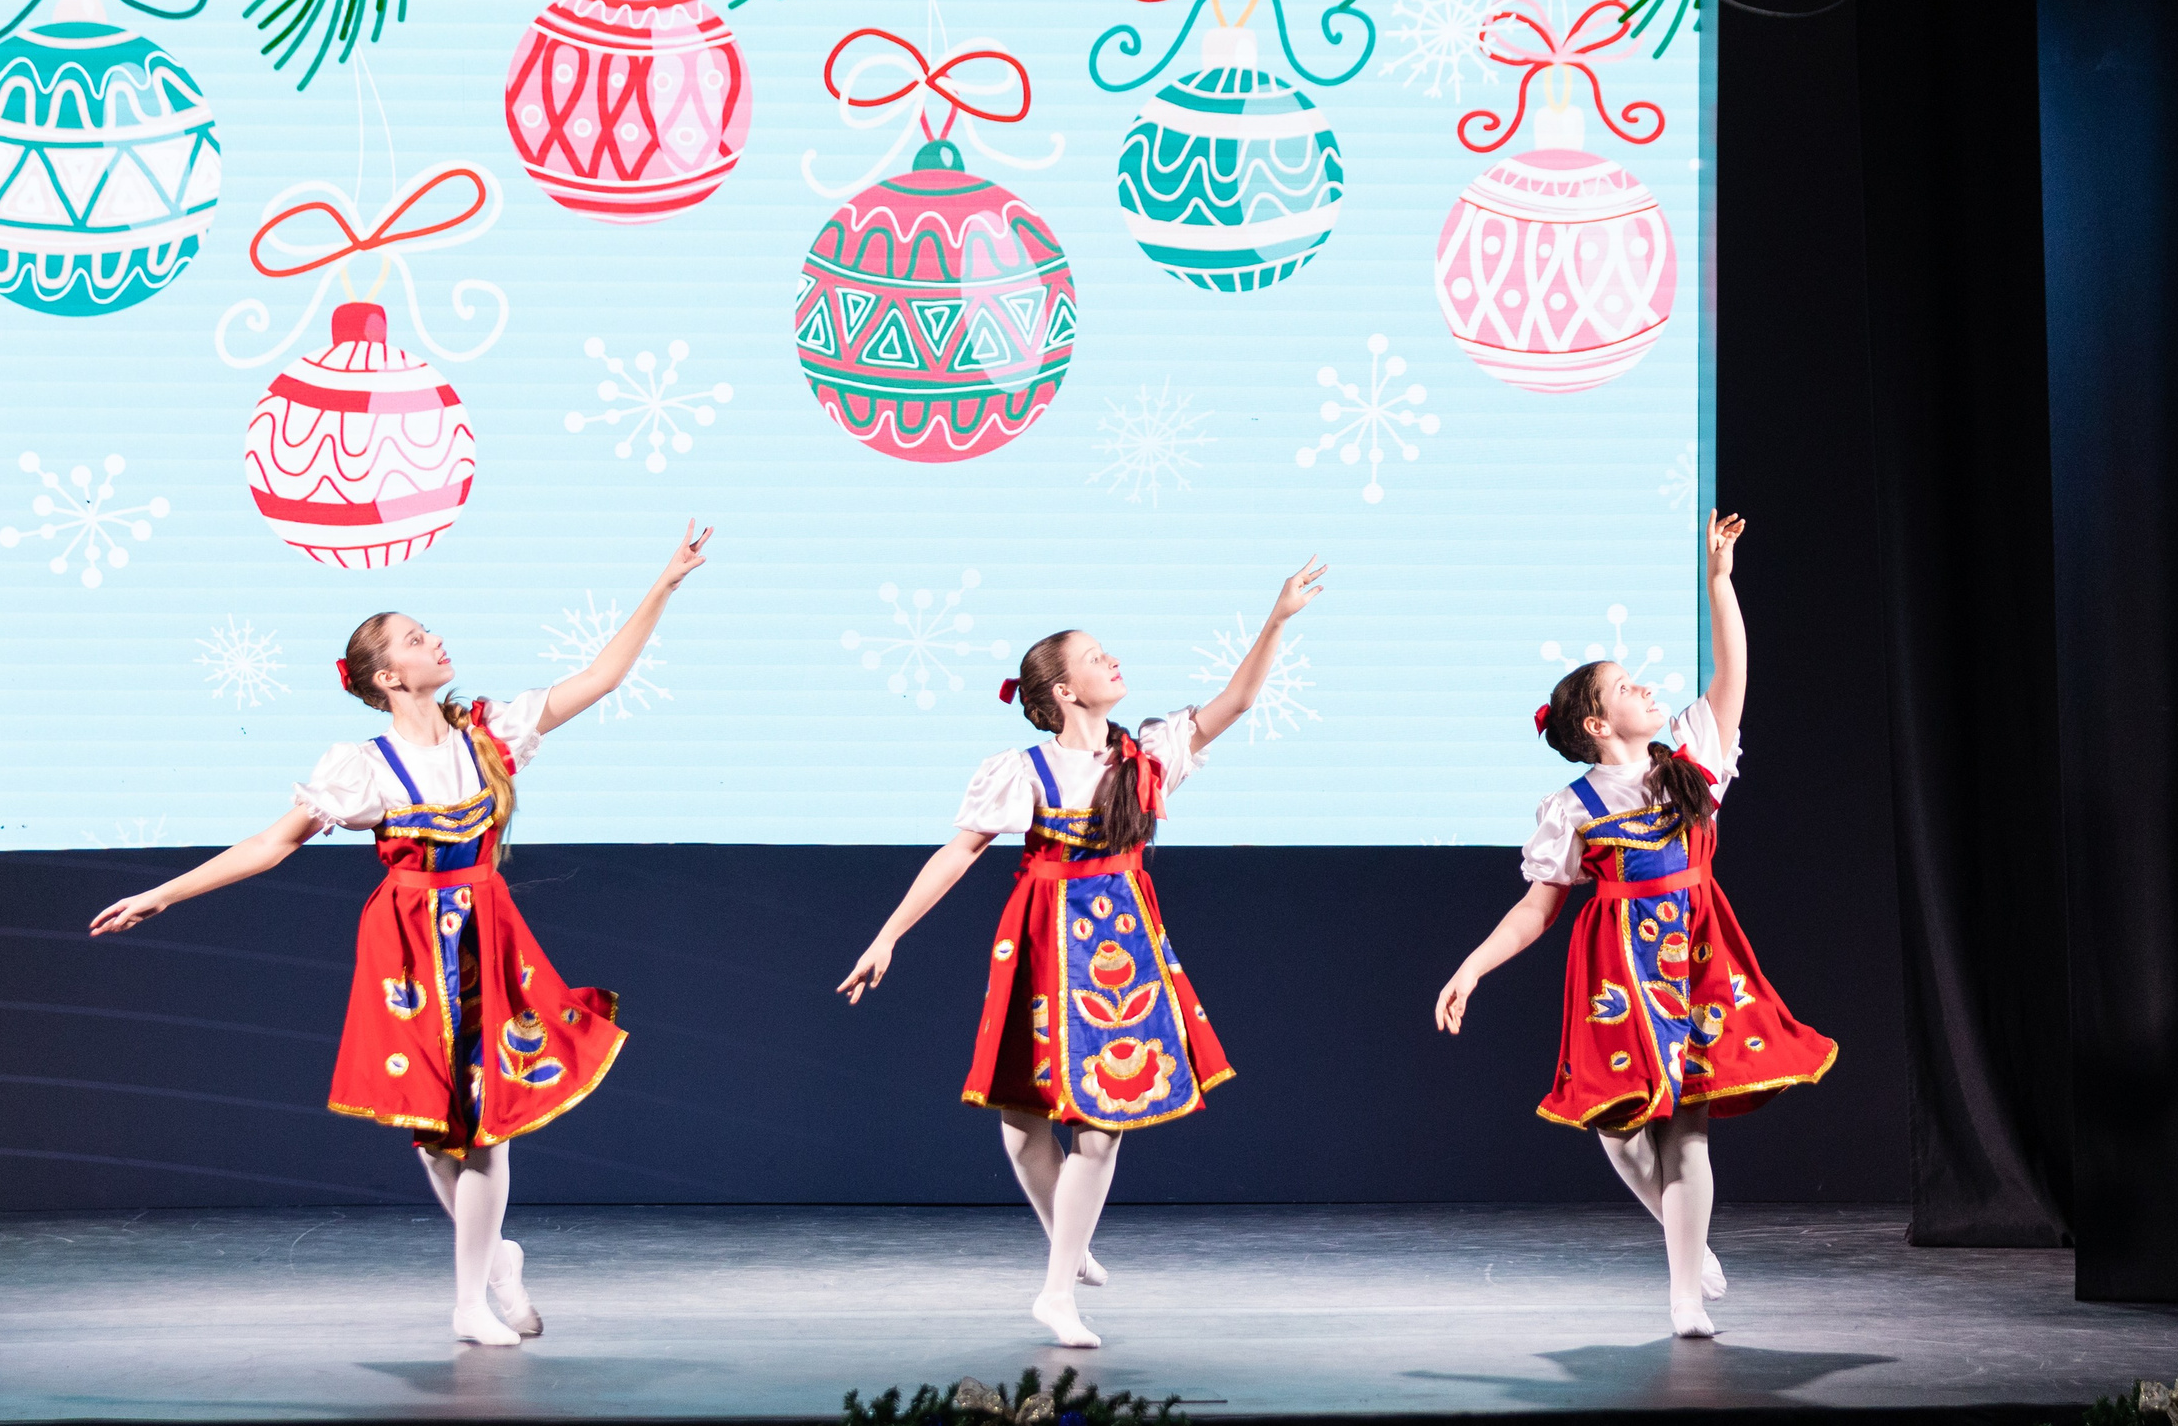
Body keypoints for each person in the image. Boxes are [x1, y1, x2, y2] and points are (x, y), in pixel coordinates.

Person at [91, 524, 715, 1345]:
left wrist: (664, 584)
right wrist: (165, 893)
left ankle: (468, 1302)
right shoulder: (363, 766)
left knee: (487, 1117)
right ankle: (496, 1261)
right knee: (432, 1134)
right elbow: (273, 842)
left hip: (487, 939)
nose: (435, 641)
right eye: (417, 638)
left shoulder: (491, 732)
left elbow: (598, 678)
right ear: (388, 676)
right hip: (409, 952)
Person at [838, 560, 1327, 1346]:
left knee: (1102, 1124)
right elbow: (958, 854)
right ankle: (1073, 1243)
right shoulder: (1025, 770)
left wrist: (1275, 620)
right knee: (1020, 1123)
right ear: (1063, 690)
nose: (1112, 662)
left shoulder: (1147, 754)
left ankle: (1057, 1289)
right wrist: (888, 933)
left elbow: (1235, 702)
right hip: (1041, 947)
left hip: (1121, 954)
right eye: (1095, 657)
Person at [1434, 514, 1834, 1338]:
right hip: (1617, 976)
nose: (1645, 688)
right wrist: (1472, 967)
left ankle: (1684, 1292)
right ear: (1595, 724)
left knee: (1686, 1123)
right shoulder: (1570, 808)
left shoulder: (1689, 762)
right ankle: (1683, 1237)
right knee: (1618, 1131)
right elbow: (1535, 908)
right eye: (1625, 686)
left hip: (1692, 956)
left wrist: (1720, 580)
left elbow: (1734, 672)